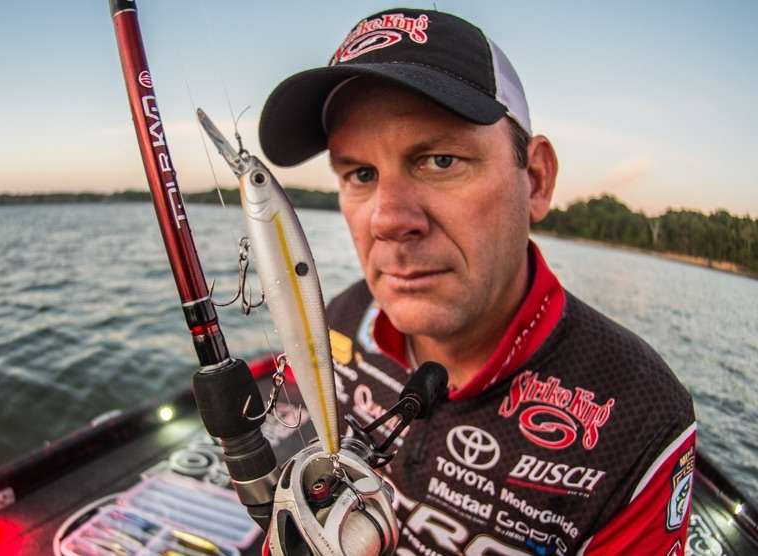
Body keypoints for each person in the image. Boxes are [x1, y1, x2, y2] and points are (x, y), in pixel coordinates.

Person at [258, 8, 696, 555]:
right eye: (361, 174)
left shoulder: (640, 416)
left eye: (441, 160)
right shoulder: (336, 323)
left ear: (535, 180)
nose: (387, 220)